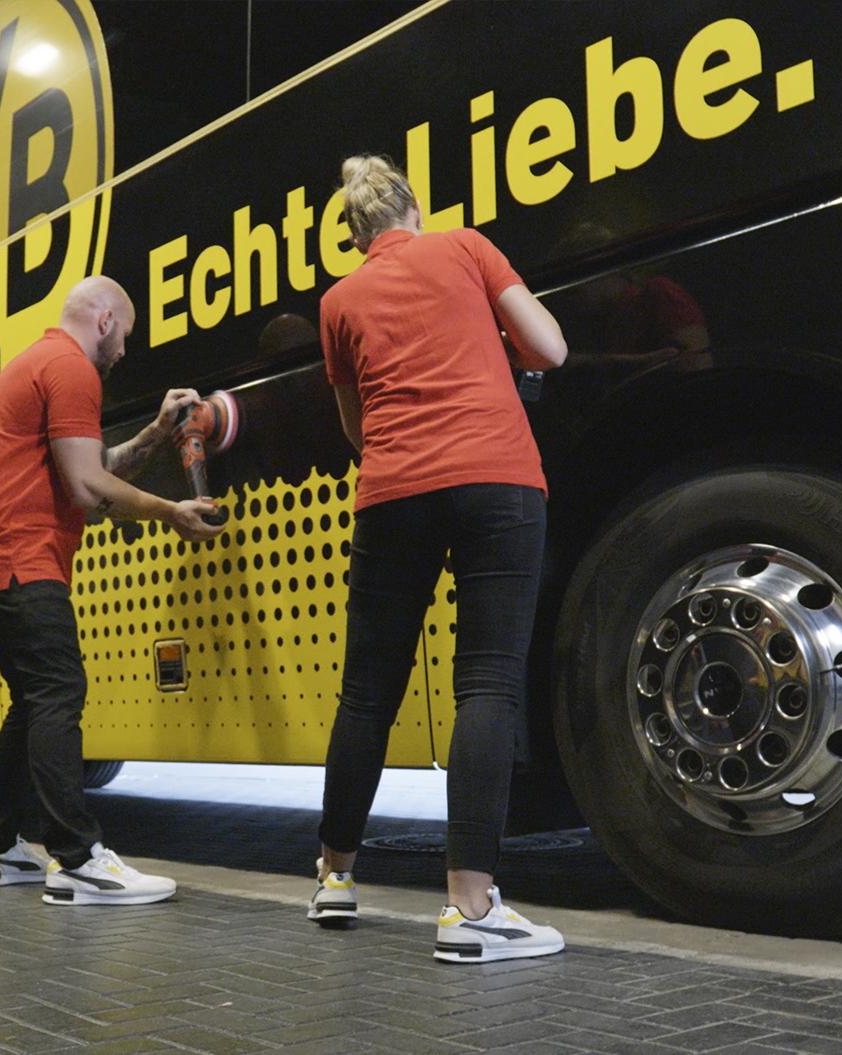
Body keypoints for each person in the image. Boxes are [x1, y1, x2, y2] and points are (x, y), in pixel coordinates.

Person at [310, 155, 570, 962]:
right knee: (486, 681)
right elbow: (548, 348)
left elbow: (355, 430)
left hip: (392, 491)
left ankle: (333, 878)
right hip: (496, 474)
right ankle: (470, 907)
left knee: (366, 693)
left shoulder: (339, 299)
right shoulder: (466, 247)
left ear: (355, 233)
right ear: (415, 208)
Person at [0, 275, 225, 905]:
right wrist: (172, 511)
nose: (125, 349)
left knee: (32, 695)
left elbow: (90, 466)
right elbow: (88, 490)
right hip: (13, 551)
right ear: (104, 320)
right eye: (124, 333)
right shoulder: (71, 368)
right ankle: (76, 859)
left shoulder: (41, 361)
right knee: (58, 689)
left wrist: (155, 433)